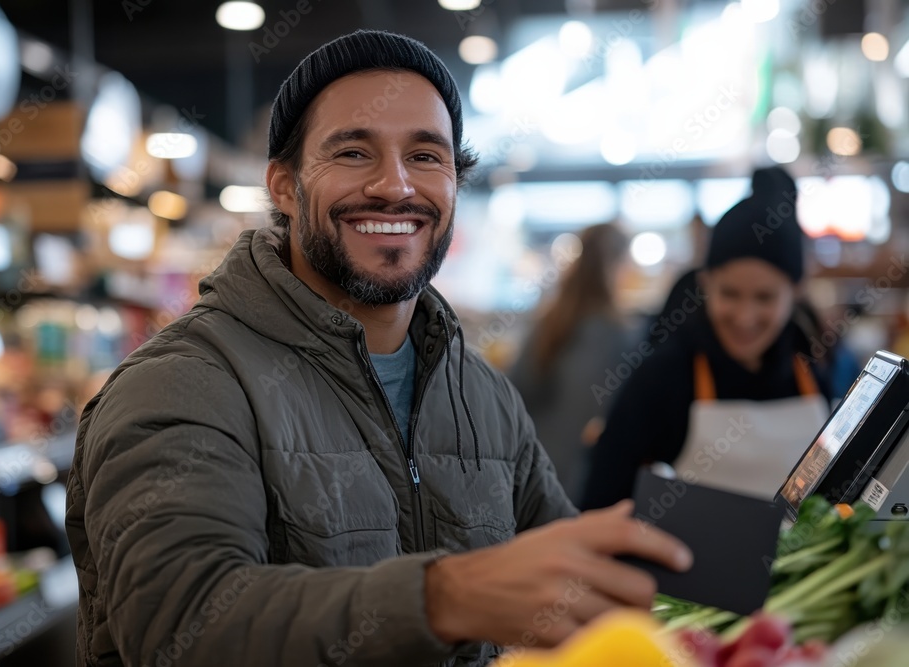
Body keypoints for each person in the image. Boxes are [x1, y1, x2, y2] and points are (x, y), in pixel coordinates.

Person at [65, 30, 691, 667]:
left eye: (425, 156)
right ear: (283, 186)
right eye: (354, 153)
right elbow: (183, 623)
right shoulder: (183, 383)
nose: (396, 186)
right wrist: (445, 597)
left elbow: (567, 576)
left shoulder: (477, 391)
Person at [582, 166, 834, 510]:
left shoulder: (813, 367)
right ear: (705, 284)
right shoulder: (663, 376)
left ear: (795, 293)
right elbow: (600, 503)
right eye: (729, 294)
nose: (745, 317)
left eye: (765, 298)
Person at [509, 223, 632, 503]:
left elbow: (514, 392)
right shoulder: (619, 336)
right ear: (618, 265)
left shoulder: (551, 322)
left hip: (531, 478)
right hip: (581, 488)